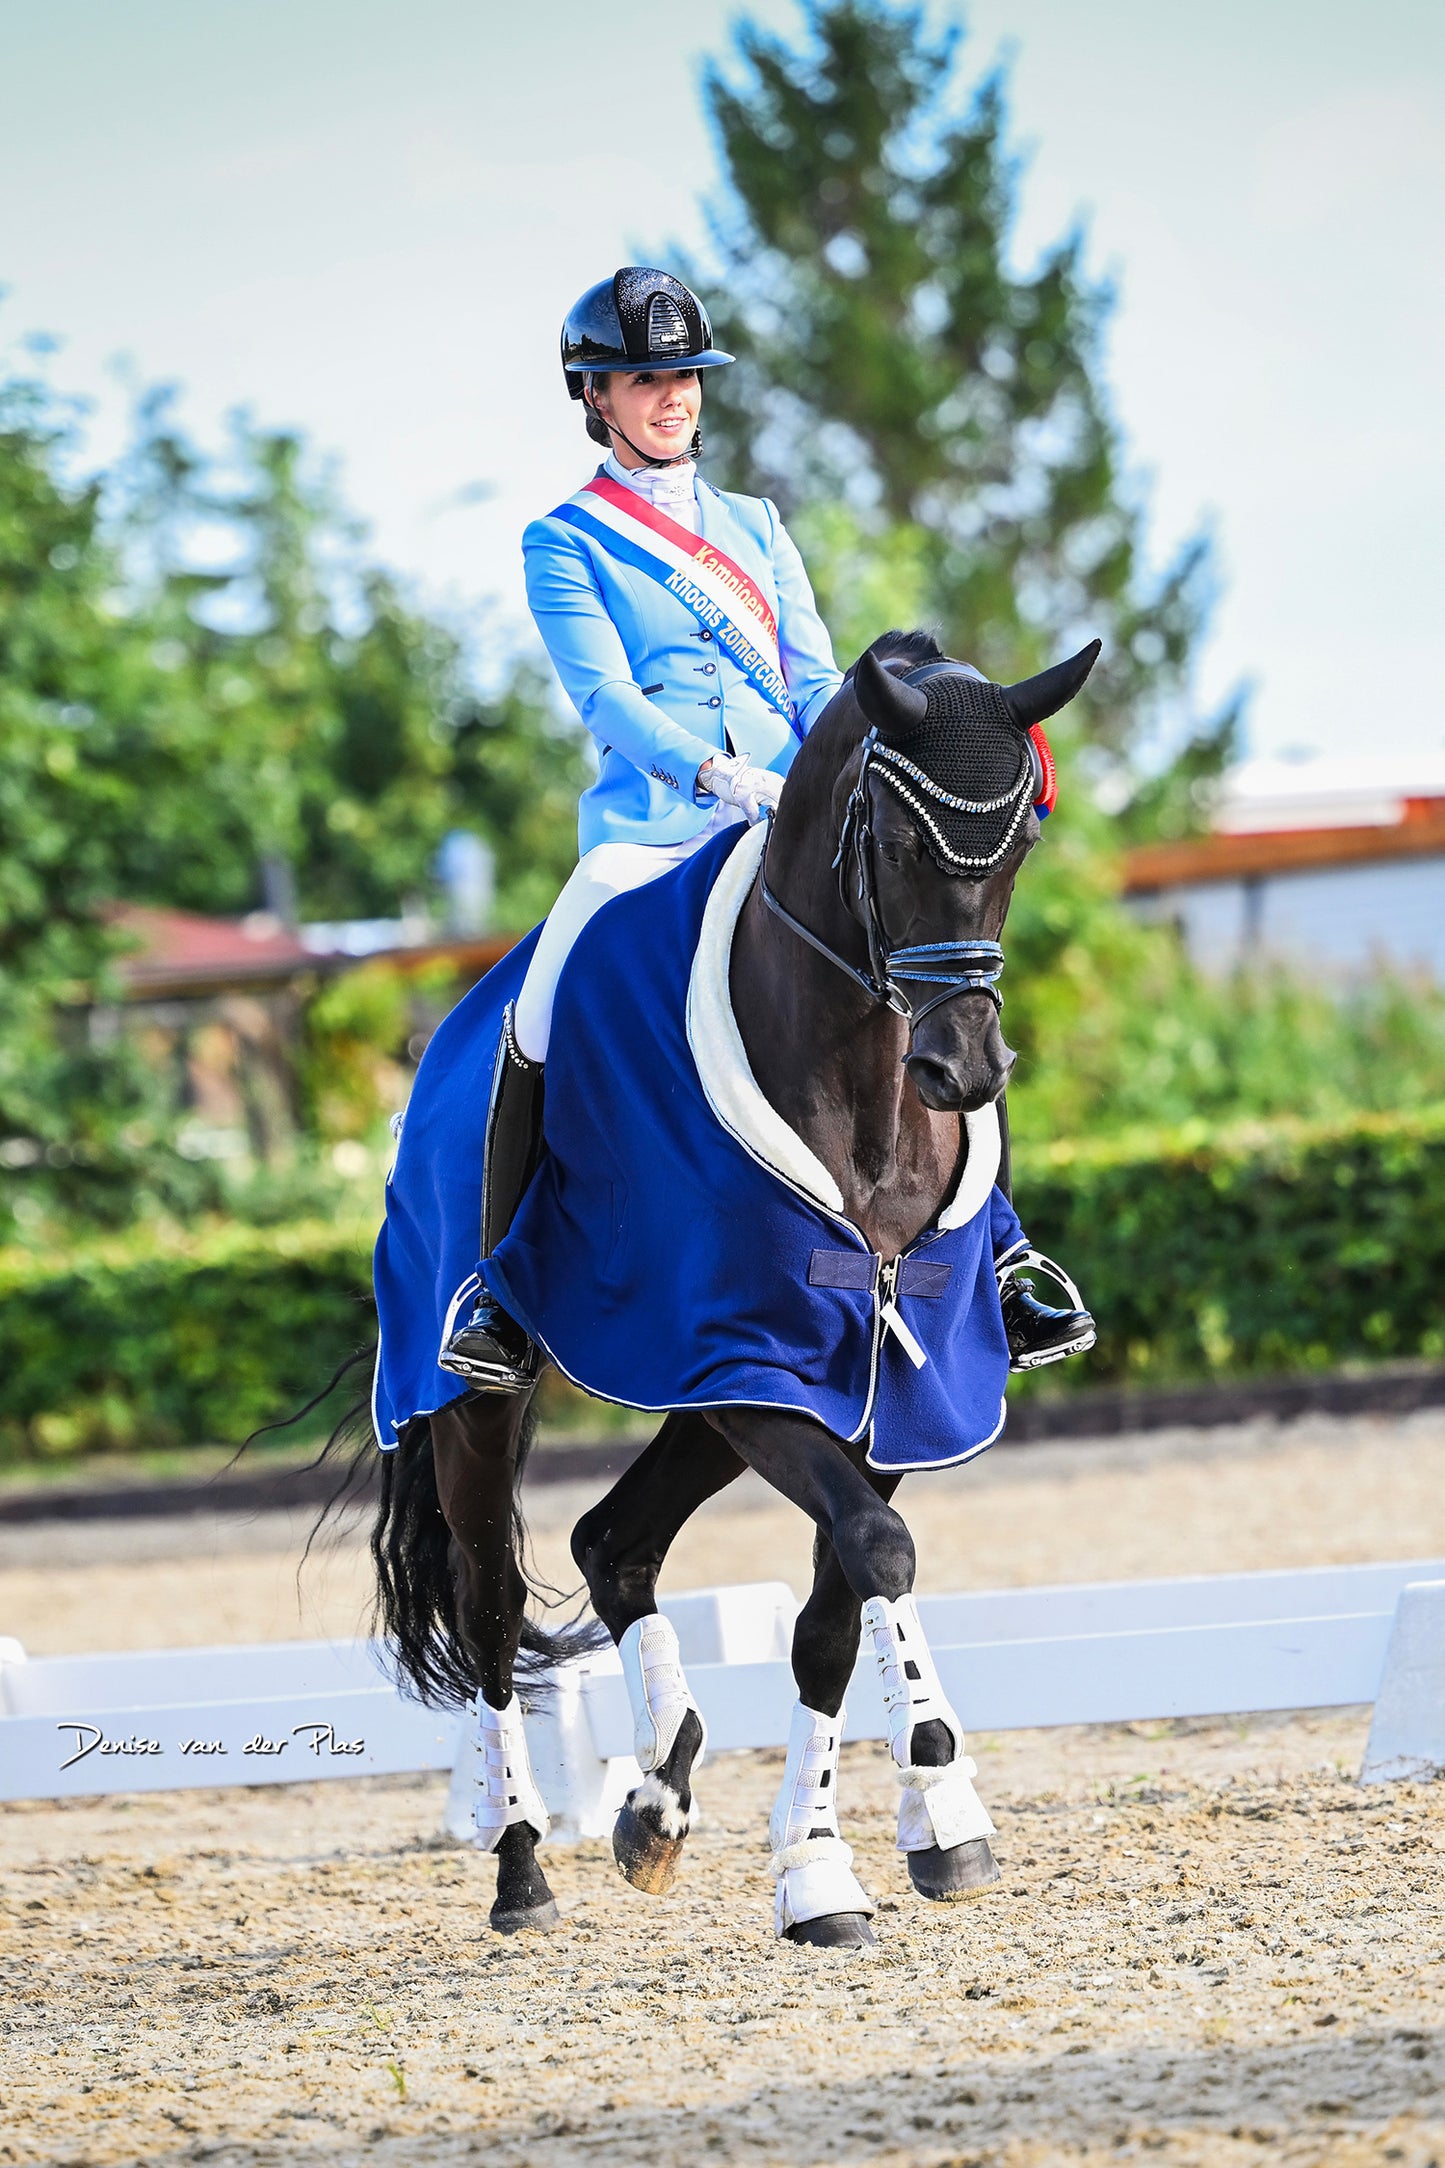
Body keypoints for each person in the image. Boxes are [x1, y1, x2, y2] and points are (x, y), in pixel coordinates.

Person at [441, 265, 1092, 1390]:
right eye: (644, 380)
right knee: (544, 995)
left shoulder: (757, 525)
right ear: (594, 395)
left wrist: (828, 770)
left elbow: (812, 681)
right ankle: (498, 1281)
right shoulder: (565, 542)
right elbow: (608, 701)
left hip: (789, 815)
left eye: (684, 376)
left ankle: (1004, 1247)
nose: (671, 398)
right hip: (655, 825)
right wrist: (715, 775)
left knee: (939, 961)